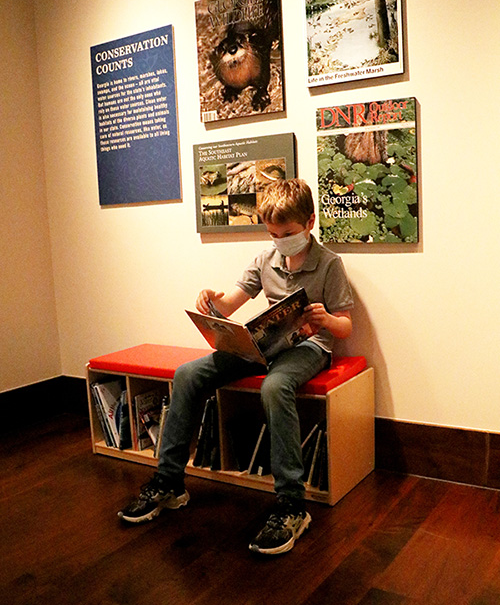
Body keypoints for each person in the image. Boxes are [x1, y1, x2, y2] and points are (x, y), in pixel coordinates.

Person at [118, 178, 354, 555]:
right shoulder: (264, 259)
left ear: (310, 222)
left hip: (309, 346)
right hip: (266, 343)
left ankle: (292, 506)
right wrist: (212, 302)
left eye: (288, 233)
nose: (280, 240)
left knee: (274, 387)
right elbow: (229, 306)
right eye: (273, 233)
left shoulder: (329, 264)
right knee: (189, 374)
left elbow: (346, 325)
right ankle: (169, 482)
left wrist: (326, 319)